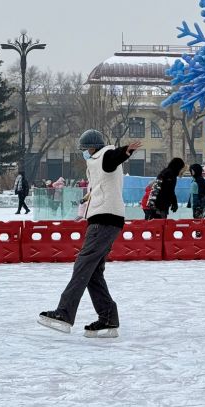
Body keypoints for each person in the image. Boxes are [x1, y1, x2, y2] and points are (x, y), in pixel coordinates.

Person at [39, 129, 141, 338]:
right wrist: (86, 200)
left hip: (104, 220)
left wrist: (125, 151)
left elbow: (113, 158)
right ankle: (108, 318)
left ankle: (64, 313)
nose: (84, 153)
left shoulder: (104, 155)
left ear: (92, 147)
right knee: (93, 272)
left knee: (83, 264)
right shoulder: (95, 163)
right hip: (105, 219)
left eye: (85, 149)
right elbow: (101, 185)